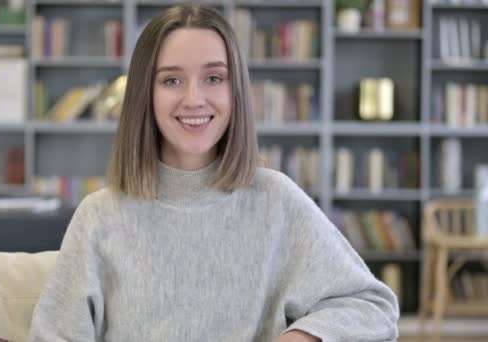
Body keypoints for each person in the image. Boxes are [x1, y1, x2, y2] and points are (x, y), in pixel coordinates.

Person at [28, 5, 399, 342]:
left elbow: (374, 307)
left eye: (214, 78)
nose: (194, 98)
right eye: (172, 80)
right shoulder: (99, 217)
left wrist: (302, 337)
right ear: (145, 94)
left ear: (235, 90)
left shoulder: (276, 200)